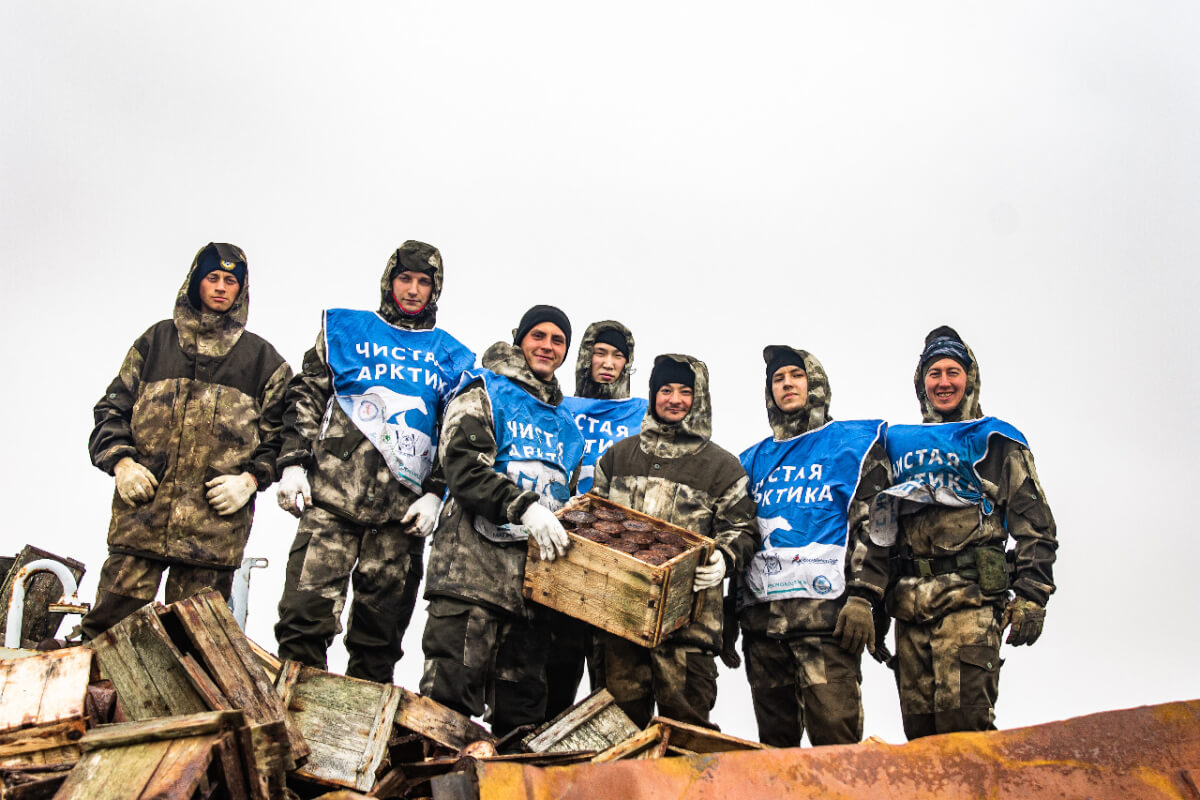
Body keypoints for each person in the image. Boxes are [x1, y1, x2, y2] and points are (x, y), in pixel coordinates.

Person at [273, 241, 475, 683]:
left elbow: (457, 430)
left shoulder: (454, 356)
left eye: (425, 282)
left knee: (378, 644)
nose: (414, 289)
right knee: (302, 625)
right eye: (406, 278)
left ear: (436, 288)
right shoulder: (345, 329)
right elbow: (306, 394)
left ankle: (362, 744)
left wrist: (435, 494)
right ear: (389, 280)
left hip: (399, 522)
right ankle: (290, 732)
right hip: (330, 503)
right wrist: (293, 463)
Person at [82, 243, 292, 639]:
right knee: (105, 639)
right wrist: (122, 465)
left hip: (212, 535)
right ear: (196, 282)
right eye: (212, 277)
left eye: (230, 280)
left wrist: (249, 481)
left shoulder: (263, 361)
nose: (220, 287)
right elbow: (110, 411)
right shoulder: (156, 342)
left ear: (241, 290)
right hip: (141, 522)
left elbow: (285, 436)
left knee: (196, 652)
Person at [871, 326, 1058, 739]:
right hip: (910, 608)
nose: (943, 382)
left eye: (952, 371)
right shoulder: (896, 444)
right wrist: (876, 608)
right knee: (921, 741)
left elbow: (1036, 525)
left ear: (969, 378)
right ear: (921, 383)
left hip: (970, 603)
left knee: (966, 734)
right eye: (933, 373)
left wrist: (1032, 596)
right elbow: (880, 531)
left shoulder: (995, 440)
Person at [420, 305, 585, 737]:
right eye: (538, 336)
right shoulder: (483, 390)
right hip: (470, 580)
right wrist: (524, 507)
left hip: (531, 597)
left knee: (523, 723)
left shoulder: (569, 426)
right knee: (446, 710)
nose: (547, 346)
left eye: (558, 340)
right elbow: (463, 467)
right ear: (520, 338)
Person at [591, 354, 759, 728]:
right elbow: (590, 517)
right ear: (652, 396)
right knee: (618, 736)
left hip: (689, 629)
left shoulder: (722, 467)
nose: (674, 399)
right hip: (621, 623)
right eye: (665, 390)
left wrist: (724, 559)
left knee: (685, 737)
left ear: (699, 398)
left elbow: (745, 529)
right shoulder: (618, 456)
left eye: (686, 391)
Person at [735, 346, 890, 746]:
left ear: (815, 383)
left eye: (796, 375)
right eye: (777, 378)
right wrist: (726, 614)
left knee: (836, 748)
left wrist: (864, 598)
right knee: (775, 751)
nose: (786, 384)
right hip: (763, 629)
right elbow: (738, 535)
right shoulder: (751, 460)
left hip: (828, 624)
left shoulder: (853, 447)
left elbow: (876, 525)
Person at [541, 321, 649, 717]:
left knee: (613, 680)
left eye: (617, 356)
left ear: (628, 364)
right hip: (562, 552)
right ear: (585, 357)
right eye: (599, 353)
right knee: (556, 669)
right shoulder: (559, 406)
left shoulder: (643, 413)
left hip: (619, 557)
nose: (607, 363)